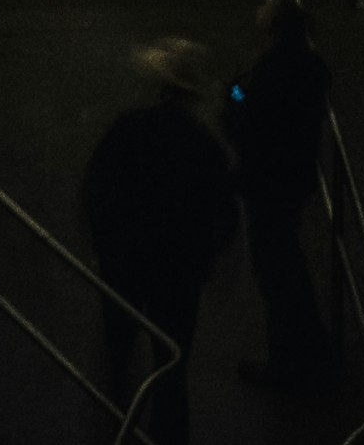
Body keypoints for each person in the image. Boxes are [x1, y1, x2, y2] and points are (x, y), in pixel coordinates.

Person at [79, 37, 240, 443]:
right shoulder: (204, 145)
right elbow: (224, 211)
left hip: (126, 256)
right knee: (172, 359)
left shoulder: (129, 128)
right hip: (179, 267)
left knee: (118, 344)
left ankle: (114, 419)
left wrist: (102, 238)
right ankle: (168, 433)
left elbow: (97, 187)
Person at [226, 0, 341, 394]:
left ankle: (288, 363)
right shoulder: (311, 68)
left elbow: (239, 110)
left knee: (275, 272)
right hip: (294, 179)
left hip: (267, 183)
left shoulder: (264, 75)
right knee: (287, 265)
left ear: (274, 29)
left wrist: (234, 91)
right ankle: (315, 350)